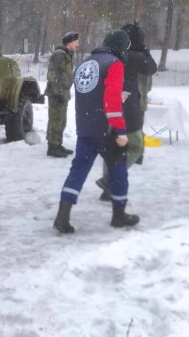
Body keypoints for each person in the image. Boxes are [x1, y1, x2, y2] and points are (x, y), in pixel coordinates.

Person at [53, 30, 140, 233]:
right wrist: (120, 131)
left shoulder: (86, 63)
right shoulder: (114, 64)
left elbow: (86, 97)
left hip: (85, 127)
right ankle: (119, 215)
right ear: (121, 46)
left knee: (78, 171)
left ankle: (62, 215)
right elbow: (112, 101)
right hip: (106, 130)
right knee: (118, 171)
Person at [96, 23, 157, 200]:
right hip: (127, 109)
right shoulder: (134, 57)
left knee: (112, 147)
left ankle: (107, 189)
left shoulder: (105, 55)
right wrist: (143, 50)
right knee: (136, 146)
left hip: (105, 107)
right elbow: (151, 68)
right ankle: (109, 180)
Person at [45, 31, 80, 158]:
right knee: (56, 120)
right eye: (76, 42)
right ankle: (52, 147)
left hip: (63, 92)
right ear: (69, 42)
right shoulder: (59, 55)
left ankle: (58, 144)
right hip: (57, 93)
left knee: (61, 120)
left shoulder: (67, 54)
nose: (78, 44)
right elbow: (53, 74)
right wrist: (58, 91)